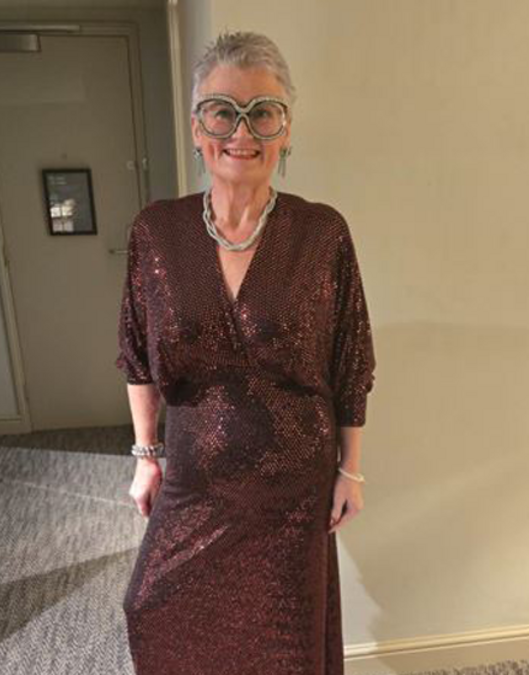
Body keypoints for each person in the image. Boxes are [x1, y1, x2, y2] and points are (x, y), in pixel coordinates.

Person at [118, 32, 374, 675]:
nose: (243, 130)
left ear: (286, 132)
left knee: (283, 646)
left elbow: (351, 360)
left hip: (294, 484)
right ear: (200, 129)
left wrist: (352, 469)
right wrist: (146, 457)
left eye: (264, 112)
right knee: (151, 607)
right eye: (222, 111)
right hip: (195, 475)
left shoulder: (322, 232)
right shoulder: (157, 230)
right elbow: (136, 356)